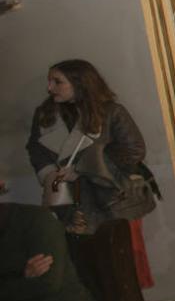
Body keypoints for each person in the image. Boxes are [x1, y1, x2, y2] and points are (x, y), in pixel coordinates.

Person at [27, 60, 151, 245]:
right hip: (68, 206)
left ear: (80, 83)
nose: (49, 88)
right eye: (49, 81)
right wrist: (50, 174)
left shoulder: (111, 113)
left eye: (57, 82)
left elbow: (133, 151)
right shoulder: (46, 115)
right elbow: (35, 148)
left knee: (122, 263)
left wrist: (83, 168)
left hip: (111, 203)